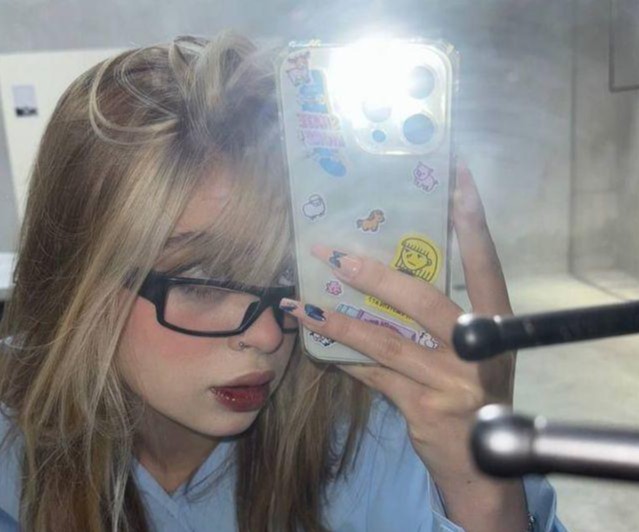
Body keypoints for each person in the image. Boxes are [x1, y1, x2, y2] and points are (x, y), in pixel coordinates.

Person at [0, 32, 566, 532]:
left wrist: (480, 487)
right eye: (203, 280)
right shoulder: (13, 453)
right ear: (77, 282)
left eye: (289, 274)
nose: (270, 336)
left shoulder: (381, 436)